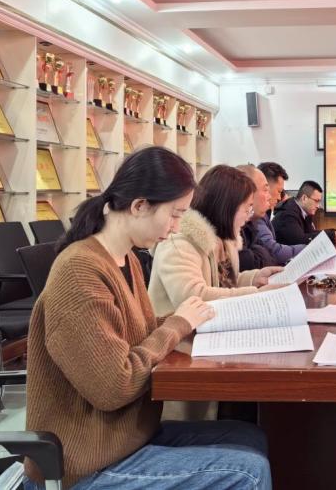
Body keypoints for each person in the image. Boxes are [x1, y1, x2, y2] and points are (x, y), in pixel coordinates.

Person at [24, 146, 271, 490]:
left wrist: (190, 321)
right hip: (85, 462)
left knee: (248, 436)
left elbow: (138, 330)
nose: (175, 228)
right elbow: (114, 386)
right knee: (246, 471)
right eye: (174, 215)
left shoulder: (125, 258)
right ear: (139, 205)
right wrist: (178, 324)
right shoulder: (80, 271)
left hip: (127, 438)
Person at [149, 164, 283, 316]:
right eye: (247, 209)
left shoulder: (223, 240)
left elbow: (225, 284)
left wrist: (255, 278)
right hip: (179, 329)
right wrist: (256, 294)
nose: (248, 216)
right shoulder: (179, 242)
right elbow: (194, 297)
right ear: (227, 208)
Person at [253, 162, 306, 265]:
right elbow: (274, 252)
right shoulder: (256, 216)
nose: (279, 197)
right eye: (278, 191)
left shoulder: (265, 213)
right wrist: (308, 249)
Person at [273, 180, 336, 246]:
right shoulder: (287, 214)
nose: (318, 206)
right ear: (304, 198)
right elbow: (300, 240)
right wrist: (331, 236)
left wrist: (332, 232)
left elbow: (310, 233)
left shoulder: (305, 211)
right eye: (316, 201)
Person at [236, 164, 279, 270]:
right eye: (265, 190)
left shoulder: (251, 224)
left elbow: (270, 256)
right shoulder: (233, 227)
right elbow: (248, 262)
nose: (269, 197)